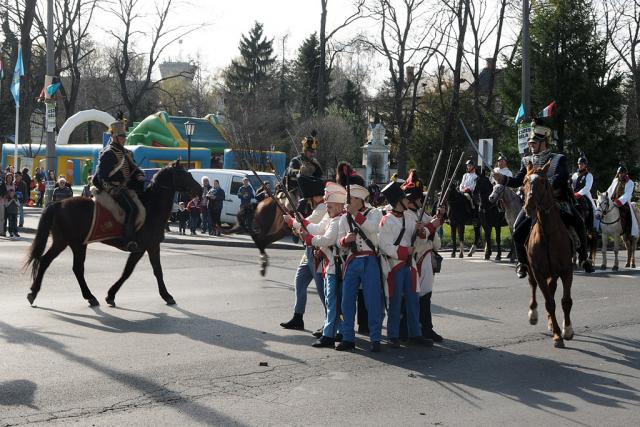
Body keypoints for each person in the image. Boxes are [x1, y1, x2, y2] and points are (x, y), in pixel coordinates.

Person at [492, 119, 594, 278]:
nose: (531, 146)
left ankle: (583, 257)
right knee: (517, 231)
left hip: (556, 200)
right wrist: (503, 180)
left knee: (579, 222)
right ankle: (522, 262)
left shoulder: (558, 159)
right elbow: (519, 180)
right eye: (531, 143)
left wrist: (542, 184)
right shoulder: (526, 160)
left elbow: (562, 176)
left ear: (544, 143)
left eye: (534, 143)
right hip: (532, 203)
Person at [379, 181, 433, 348]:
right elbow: (384, 245)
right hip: (395, 265)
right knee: (395, 301)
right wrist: (404, 252)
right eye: (404, 198)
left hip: (410, 265)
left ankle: (415, 333)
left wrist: (421, 231)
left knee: (413, 299)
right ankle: (393, 335)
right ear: (398, 201)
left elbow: (418, 237)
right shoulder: (386, 220)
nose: (407, 201)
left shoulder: (410, 217)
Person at [297, 182, 346, 349]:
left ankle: (329, 335)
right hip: (330, 265)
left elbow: (326, 239)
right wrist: (300, 223)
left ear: (339, 205)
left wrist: (309, 239)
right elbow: (317, 228)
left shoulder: (339, 220)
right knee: (332, 300)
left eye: (330, 205)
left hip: (336, 267)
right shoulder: (333, 217)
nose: (327, 207)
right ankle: (340, 331)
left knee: (333, 301)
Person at [338, 178, 384, 352]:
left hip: (370, 259)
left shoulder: (374, 213)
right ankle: (348, 338)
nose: (348, 203)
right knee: (347, 301)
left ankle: (376, 338)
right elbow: (339, 242)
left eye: (352, 199)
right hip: (352, 260)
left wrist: (355, 215)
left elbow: (373, 229)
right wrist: (345, 240)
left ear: (359, 200)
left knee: (372, 300)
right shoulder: (344, 219)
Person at [280, 175, 327, 333]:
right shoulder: (317, 207)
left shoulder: (322, 208)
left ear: (315, 196)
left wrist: (292, 221)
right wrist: (296, 223)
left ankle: (330, 320)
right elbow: (303, 227)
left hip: (317, 252)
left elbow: (308, 226)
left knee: (322, 290)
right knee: (299, 281)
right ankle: (298, 317)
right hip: (308, 252)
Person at [402, 172, 445, 342]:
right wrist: (429, 228)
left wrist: (435, 222)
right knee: (414, 295)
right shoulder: (406, 216)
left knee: (425, 294)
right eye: (420, 197)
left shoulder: (423, 214)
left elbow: (438, 245)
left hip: (426, 259)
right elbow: (416, 244)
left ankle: (426, 328)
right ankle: (417, 329)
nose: (422, 200)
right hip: (414, 260)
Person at [93, 121, 146, 252]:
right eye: (121, 137)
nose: (124, 139)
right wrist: (111, 189)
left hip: (126, 188)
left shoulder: (128, 153)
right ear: (114, 137)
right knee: (132, 209)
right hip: (112, 189)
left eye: (124, 137)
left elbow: (134, 169)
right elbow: (100, 176)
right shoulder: (108, 153)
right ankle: (127, 240)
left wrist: (139, 176)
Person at [286, 130, 323, 213]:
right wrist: (299, 171)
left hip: (311, 191)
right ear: (305, 150)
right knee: (291, 206)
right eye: (310, 152)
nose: (312, 154)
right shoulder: (296, 160)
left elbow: (320, 175)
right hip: (296, 189)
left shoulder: (314, 162)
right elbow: (289, 171)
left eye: (313, 152)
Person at [606, 165, 638, 239]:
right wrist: (603, 197)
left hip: (624, 202)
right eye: (619, 173)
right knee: (603, 210)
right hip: (613, 201)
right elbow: (609, 190)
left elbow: (627, 194)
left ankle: (629, 232)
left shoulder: (630, 183)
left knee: (628, 214)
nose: (621, 174)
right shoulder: (615, 180)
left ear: (625, 174)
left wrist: (618, 202)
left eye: (622, 173)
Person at [571, 155, 596, 229]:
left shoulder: (589, 175)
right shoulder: (574, 175)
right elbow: (572, 185)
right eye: (579, 164)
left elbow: (587, 187)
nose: (580, 165)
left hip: (584, 194)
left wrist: (578, 194)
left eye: (582, 164)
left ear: (585, 165)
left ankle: (591, 228)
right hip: (573, 194)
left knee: (591, 208)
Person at [3, 173, 19, 239]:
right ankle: (4, 231)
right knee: (5, 219)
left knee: (14, 219)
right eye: (8, 177)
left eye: (11, 177)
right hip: (6, 202)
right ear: (6, 178)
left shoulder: (14, 185)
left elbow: (15, 193)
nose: (9, 179)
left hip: (13, 203)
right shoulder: (4, 185)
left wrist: (15, 198)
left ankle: (14, 231)